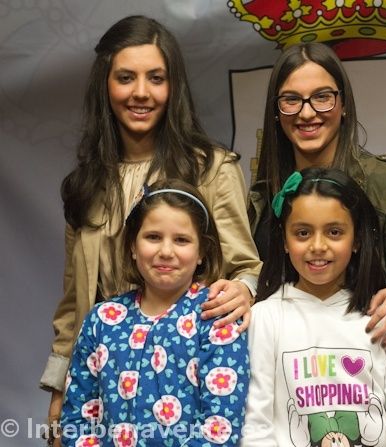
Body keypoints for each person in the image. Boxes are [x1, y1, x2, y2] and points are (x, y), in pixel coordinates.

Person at [40, 15, 261, 444]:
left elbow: (244, 268)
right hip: (105, 387)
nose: (140, 92)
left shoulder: (212, 169)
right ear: (106, 85)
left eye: (156, 78)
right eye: (126, 77)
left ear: (173, 87)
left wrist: (244, 289)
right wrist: (59, 389)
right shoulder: (87, 184)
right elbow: (73, 305)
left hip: (184, 385)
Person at [249, 42, 386, 348]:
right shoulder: (264, 192)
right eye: (291, 100)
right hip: (279, 358)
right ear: (276, 111)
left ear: (344, 104)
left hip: (364, 355)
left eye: (322, 97)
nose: (307, 112)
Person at [243, 168, 386, 446]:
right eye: (303, 233)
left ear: (357, 240)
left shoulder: (385, 316)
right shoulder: (265, 318)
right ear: (284, 241)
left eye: (334, 232)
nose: (318, 246)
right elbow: (256, 423)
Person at [60, 179, 250, 446]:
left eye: (181, 240)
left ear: (202, 252)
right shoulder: (101, 321)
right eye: (153, 237)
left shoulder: (216, 316)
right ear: (132, 246)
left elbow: (220, 427)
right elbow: (76, 421)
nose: (166, 251)